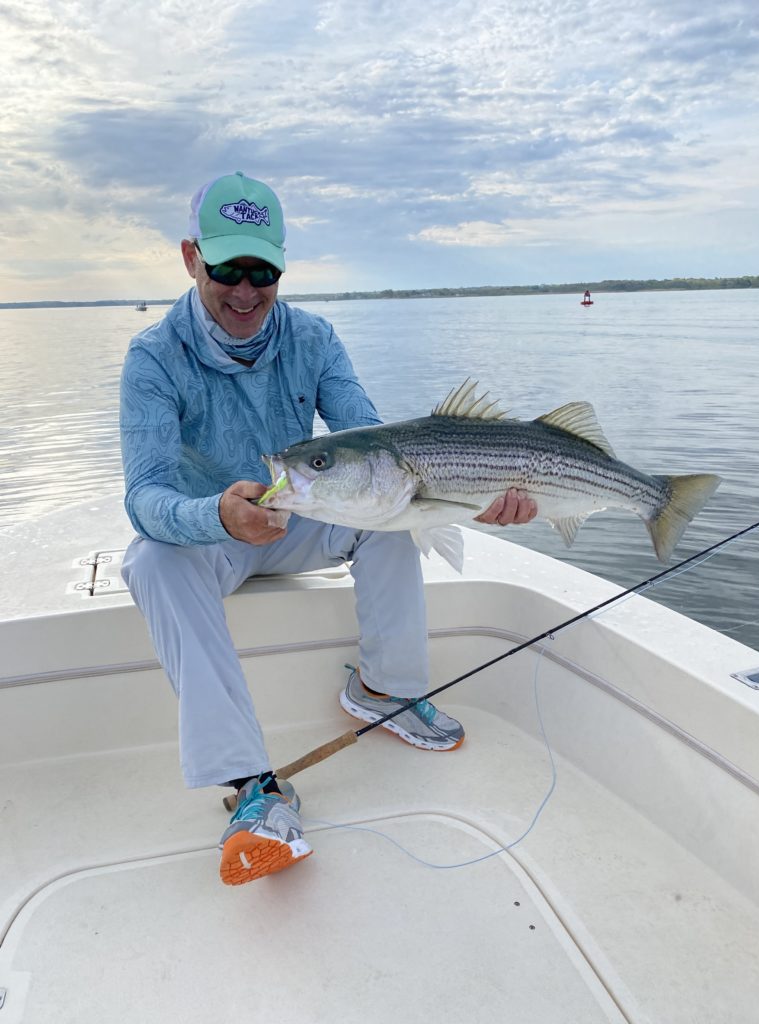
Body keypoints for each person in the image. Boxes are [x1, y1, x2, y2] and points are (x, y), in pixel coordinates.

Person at [119, 171, 537, 887]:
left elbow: (368, 438)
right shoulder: (154, 359)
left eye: (263, 270)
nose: (245, 290)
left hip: (301, 514)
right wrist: (213, 513)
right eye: (227, 268)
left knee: (392, 514)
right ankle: (253, 788)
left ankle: (384, 689)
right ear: (191, 258)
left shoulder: (314, 338)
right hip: (212, 536)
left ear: (281, 266)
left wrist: (480, 495)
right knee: (151, 561)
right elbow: (145, 495)